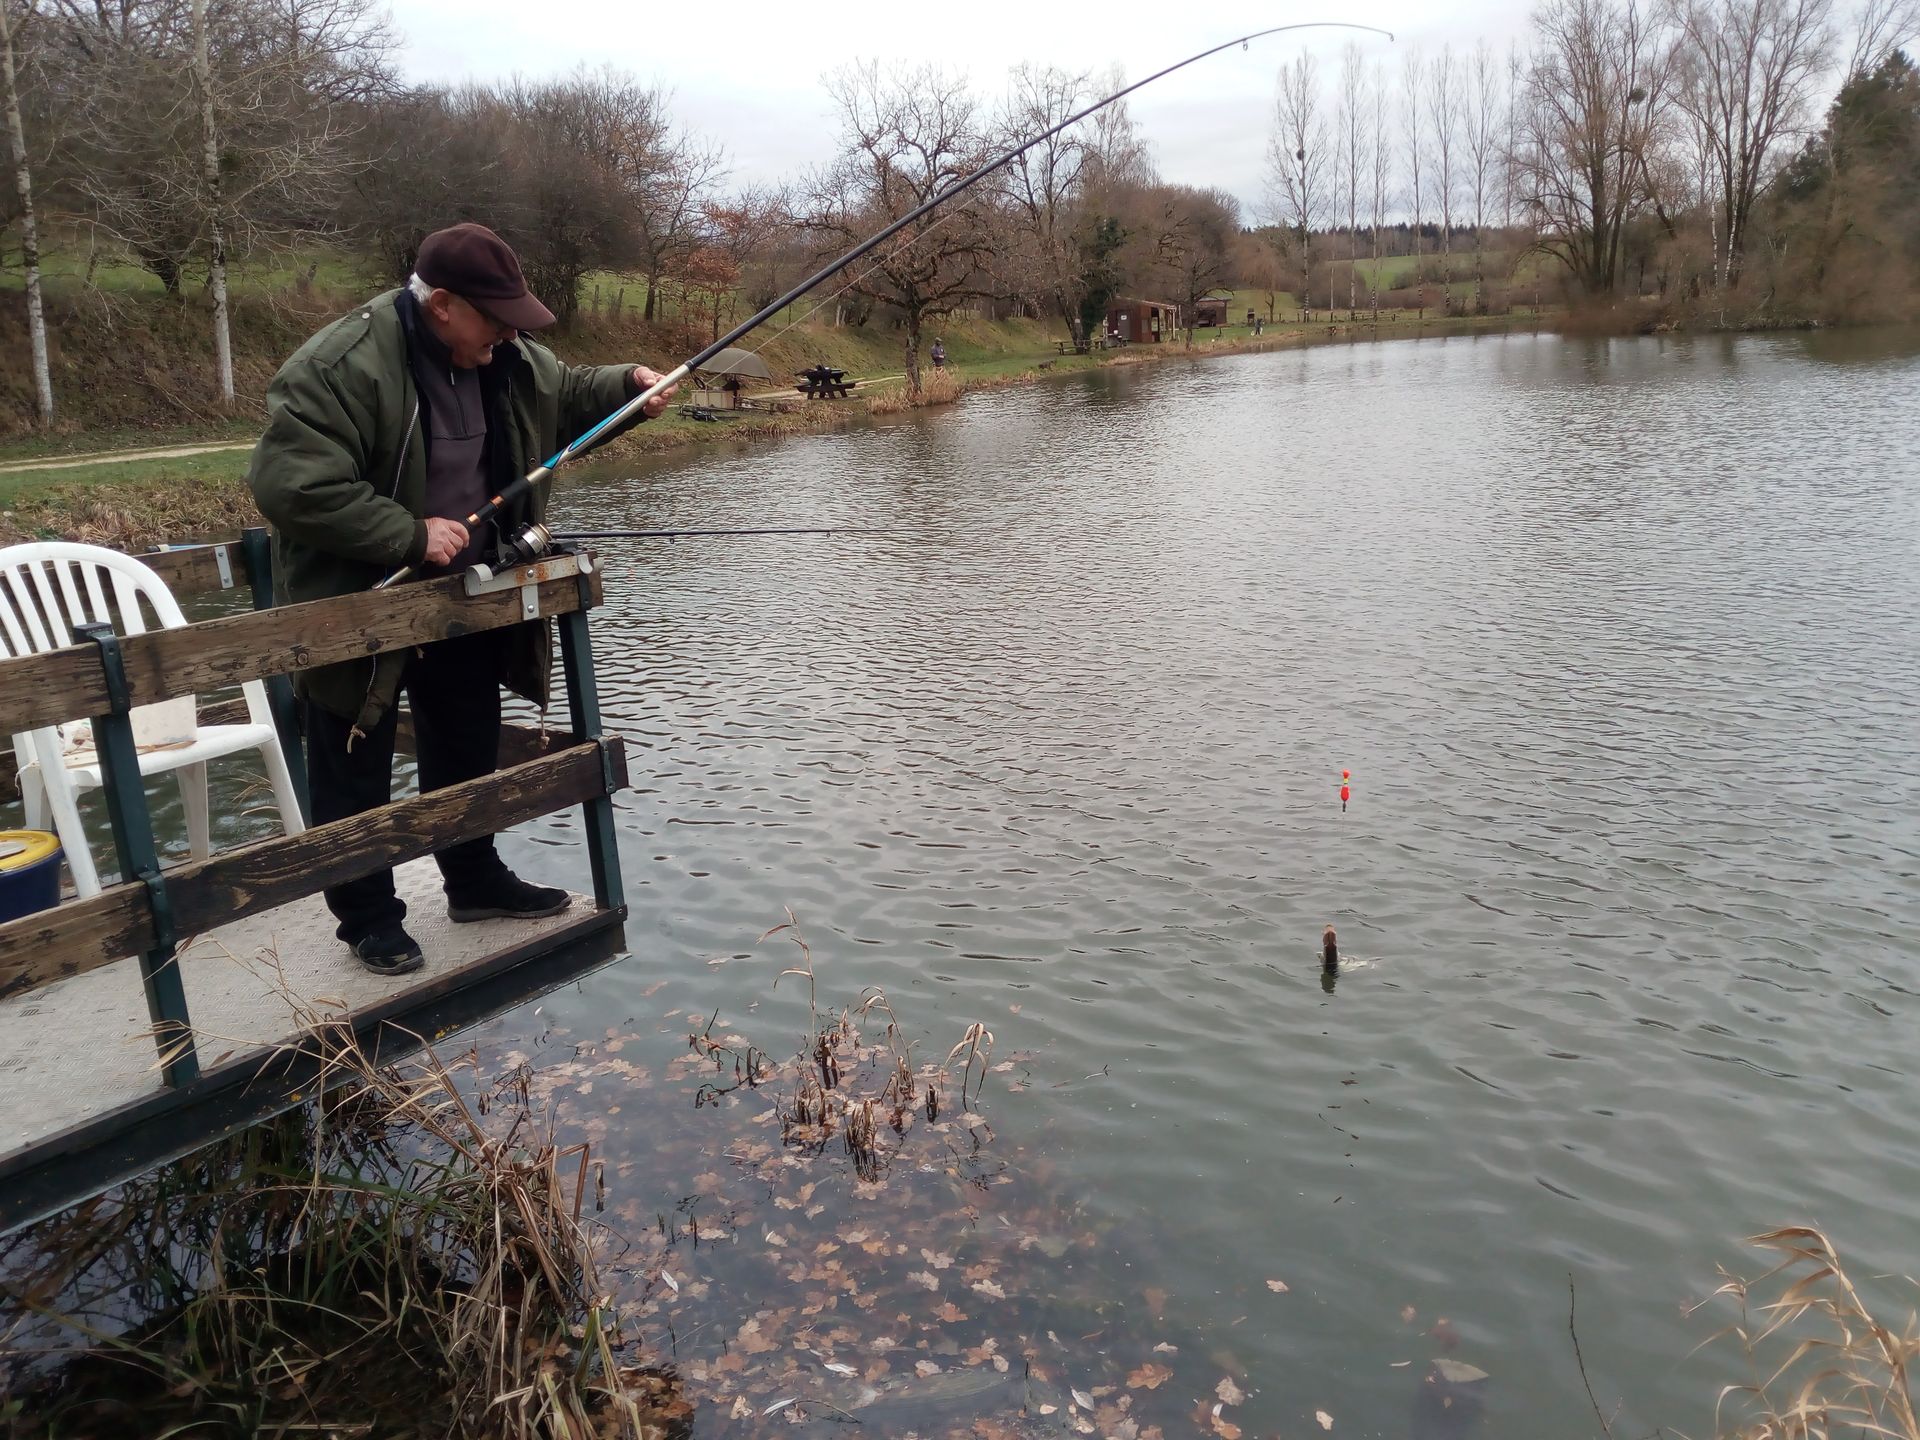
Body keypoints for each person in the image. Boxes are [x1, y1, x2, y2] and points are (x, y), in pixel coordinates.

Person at [248, 222, 677, 976]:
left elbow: (566, 393)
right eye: (495, 316)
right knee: (356, 757)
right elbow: (292, 485)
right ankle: (369, 920)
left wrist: (627, 388)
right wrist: (407, 534)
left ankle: (474, 881)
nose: (509, 332)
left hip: (465, 599)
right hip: (364, 600)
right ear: (441, 305)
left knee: (467, 740)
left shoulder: (502, 356)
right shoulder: (342, 364)